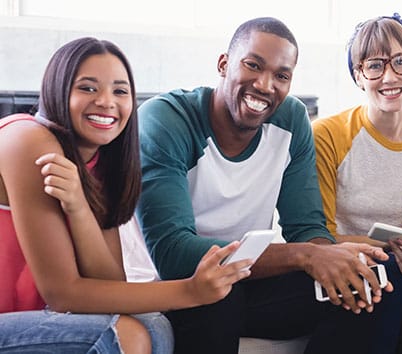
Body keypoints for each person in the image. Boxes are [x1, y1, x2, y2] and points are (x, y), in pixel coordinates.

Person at [136, 17, 392, 354]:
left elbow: (306, 227)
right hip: (174, 289)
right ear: (224, 64)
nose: (265, 85)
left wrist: (331, 258)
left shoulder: (291, 119)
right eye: (253, 65)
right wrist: (306, 255)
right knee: (221, 294)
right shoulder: (166, 120)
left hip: (246, 281)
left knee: (371, 282)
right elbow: (174, 254)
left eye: (281, 76)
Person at [0, 37, 250, 353]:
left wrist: (79, 208)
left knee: (151, 324)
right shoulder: (28, 141)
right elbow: (63, 293)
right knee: (127, 334)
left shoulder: (100, 162)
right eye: (88, 88)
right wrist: (190, 291)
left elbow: (108, 280)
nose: (107, 101)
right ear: (57, 90)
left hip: (33, 321)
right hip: (15, 322)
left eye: (120, 91)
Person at [312, 13, 402, 353]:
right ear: (359, 76)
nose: (389, 76)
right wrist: (398, 250)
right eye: (374, 65)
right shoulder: (327, 135)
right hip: (332, 264)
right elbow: (319, 236)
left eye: (400, 62)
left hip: (392, 270)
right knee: (389, 272)